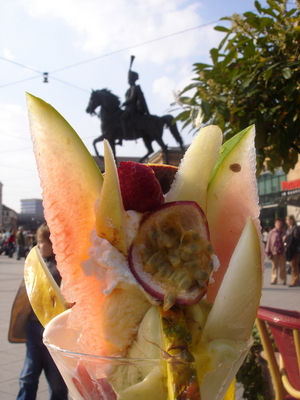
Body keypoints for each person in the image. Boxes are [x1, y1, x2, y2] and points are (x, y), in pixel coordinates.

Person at [9, 223, 68, 400]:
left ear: (52, 242)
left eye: (42, 242)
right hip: (34, 327)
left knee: (56, 380)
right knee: (28, 375)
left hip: (55, 332)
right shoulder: (39, 264)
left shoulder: (62, 267)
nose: (39, 246)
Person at [120, 57, 149, 144]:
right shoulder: (129, 89)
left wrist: (125, 103)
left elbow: (132, 98)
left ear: (131, 79)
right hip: (127, 108)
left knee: (122, 118)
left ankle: (124, 135)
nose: (128, 81)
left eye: (129, 79)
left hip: (132, 109)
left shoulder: (135, 88)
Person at [265, 218, 286, 285]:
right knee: (274, 267)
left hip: (283, 251)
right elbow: (269, 242)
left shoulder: (284, 231)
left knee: (283, 266)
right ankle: (274, 279)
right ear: (275, 224)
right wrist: (267, 251)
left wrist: (285, 239)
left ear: (282, 224)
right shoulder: (271, 232)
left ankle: (283, 280)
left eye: (280, 223)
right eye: (277, 223)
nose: (279, 224)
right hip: (274, 251)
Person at [285, 215, 300, 287]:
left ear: (293, 220)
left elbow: (296, 238)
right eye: (287, 220)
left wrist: (287, 237)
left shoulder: (296, 228)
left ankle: (295, 281)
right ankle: (296, 280)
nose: (288, 221)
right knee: (294, 265)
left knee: (294, 266)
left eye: (290, 219)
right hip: (290, 249)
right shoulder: (289, 229)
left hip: (295, 249)